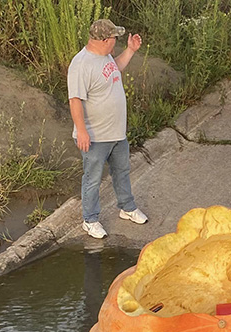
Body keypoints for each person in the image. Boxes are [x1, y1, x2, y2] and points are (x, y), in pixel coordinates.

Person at [68, 19, 148, 239]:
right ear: (104, 40)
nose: (116, 42)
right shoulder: (81, 64)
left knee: (122, 171)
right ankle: (90, 220)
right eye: (114, 38)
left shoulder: (105, 58)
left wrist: (131, 51)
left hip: (116, 133)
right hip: (95, 136)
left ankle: (127, 207)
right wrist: (81, 131)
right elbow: (75, 100)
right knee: (92, 178)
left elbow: (116, 68)